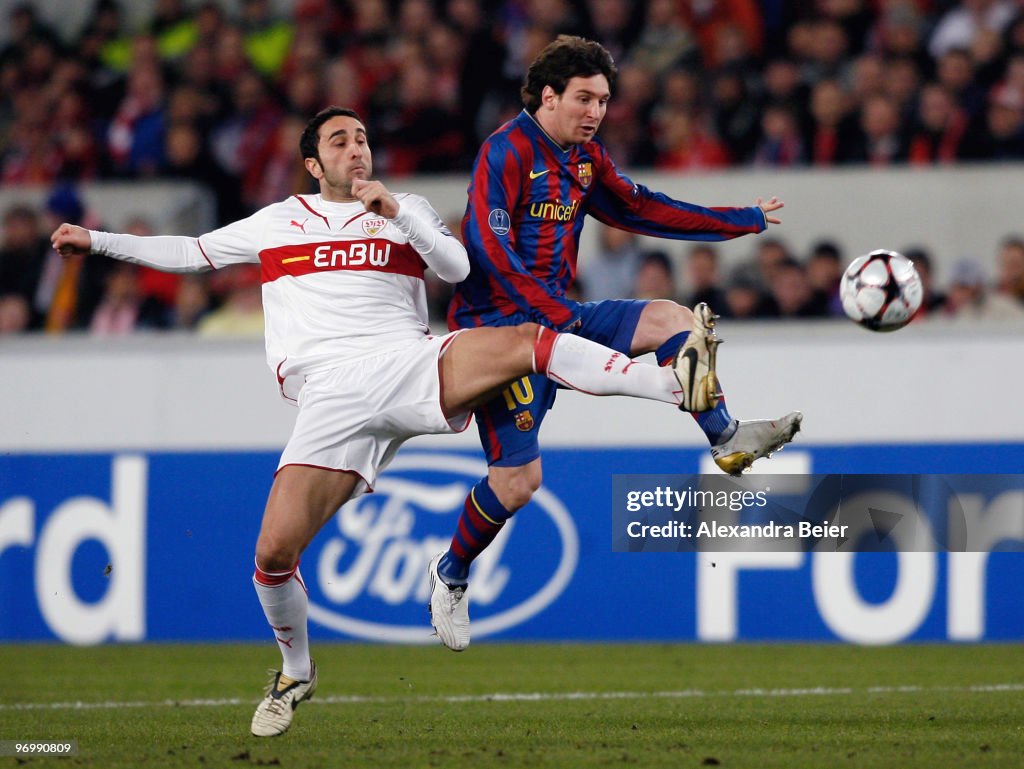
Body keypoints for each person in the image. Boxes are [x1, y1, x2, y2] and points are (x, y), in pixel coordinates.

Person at [51, 106, 734, 738]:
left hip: (408, 363)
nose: (356, 148)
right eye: (339, 141)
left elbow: (458, 265)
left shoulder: (404, 209)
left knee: (531, 338)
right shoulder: (277, 221)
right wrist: (98, 240)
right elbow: (191, 251)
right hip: (331, 399)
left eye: (362, 138)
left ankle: (674, 385)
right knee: (271, 556)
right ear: (314, 165)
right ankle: (296, 671)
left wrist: (398, 215)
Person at [433, 36, 801, 653]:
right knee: (519, 483)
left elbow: (642, 209)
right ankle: (450, 574)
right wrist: (552, 314)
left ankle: (726, 437)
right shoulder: (504, 152)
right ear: (548, 96)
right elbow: (490, 254)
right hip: (499, 334)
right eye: (584, 98)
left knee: (671, 319)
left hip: (558, 319)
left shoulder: (585, 159)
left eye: (603, 100)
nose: (595, 112)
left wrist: (742, 219)